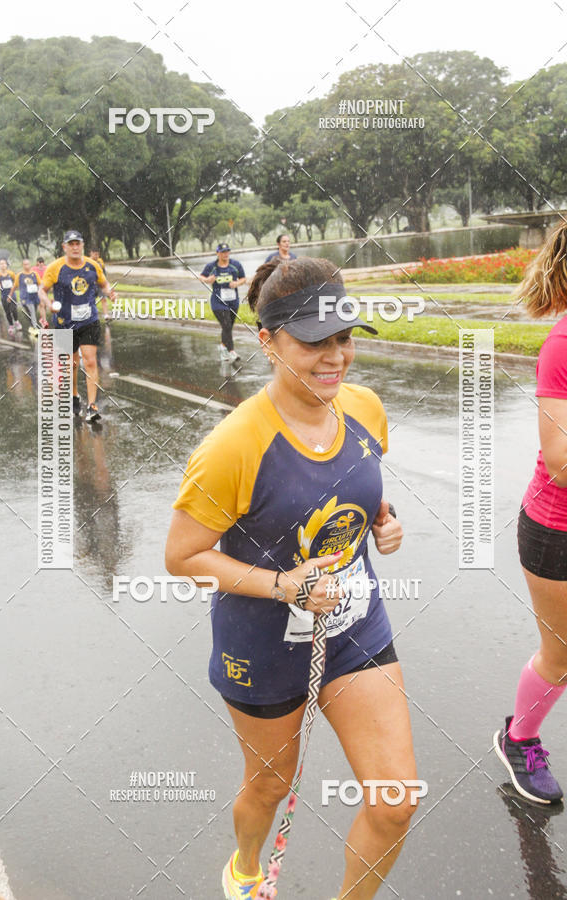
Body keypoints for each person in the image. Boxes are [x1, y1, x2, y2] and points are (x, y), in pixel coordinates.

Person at [166, 257, 417, 899]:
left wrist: (383, 523)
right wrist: (284, 586)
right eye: (313, 342)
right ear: (268, 342)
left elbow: (351, 496)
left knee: (395, 801)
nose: (335, 358)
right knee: (270, 784)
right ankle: (246, 868)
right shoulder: (233, 446)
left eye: (344, 338)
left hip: (354, 626)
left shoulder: (364, 408)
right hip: (262, 643)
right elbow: (184, 558)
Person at [494, 221, 567, 805]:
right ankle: (519, 738)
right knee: (561, 655)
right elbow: (561, 461)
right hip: (555, 532)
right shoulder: (561, 347)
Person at [39, 230, 116, 423]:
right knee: (71, 364)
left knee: (90, 362)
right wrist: (48, 304)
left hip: (89, 320)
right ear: (64, 247)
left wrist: (110, 292)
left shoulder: (92, 266)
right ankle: (74, 395)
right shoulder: (55, 268)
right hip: (65, 323)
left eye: (77, 243)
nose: (74, 247)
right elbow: (42, 290)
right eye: (71, 244)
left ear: (82, 245)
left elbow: (104, 284)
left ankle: (92, 405)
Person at [199, 242, 246, 362]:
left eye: (227, 251)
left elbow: (243, 278)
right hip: (218, 302)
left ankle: (223, 347)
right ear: (217, 253)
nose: (225, 254)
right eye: (223, 252)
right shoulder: (211, 266)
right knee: (226, 325)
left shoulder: (235, 265)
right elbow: (201, 277)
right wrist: (208, 280)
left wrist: (237, 283)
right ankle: (231, 351)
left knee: (228, 327)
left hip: (233, 301)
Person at [0, 259, 20, 334]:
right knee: (7, 311)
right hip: (4, 295)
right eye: (1, 264)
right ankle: (11, 325)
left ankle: (16, 322)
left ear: (6, 265)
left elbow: (16, 282)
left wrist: (14, 286)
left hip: (12, 294)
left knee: (13, 309)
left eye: (4, 263)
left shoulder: (11, 273)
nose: (2, 265)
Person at [15, 259, 41, 330]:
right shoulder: (19, 275)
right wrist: (10, 294)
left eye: (28, 264)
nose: (26, 266)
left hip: (34, 297)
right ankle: (35, 328)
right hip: (25, 297)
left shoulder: (35, 274)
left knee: (32, 312)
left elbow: (40, 284)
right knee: (32, 311)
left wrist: (41, 292)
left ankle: (32, 326)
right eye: (25, 264)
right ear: (23, 265)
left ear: (30, 265)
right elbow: (15, 286)